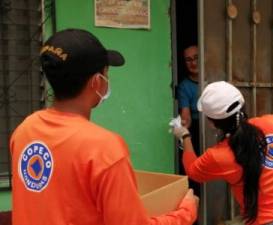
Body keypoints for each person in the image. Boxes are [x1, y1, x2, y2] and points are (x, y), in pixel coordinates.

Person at [10, 28, 198, 225]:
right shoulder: (104, 148)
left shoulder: (25, 130)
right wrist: (185, 212)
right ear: (97, 82)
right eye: (106, 72)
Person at [172, 81, 273, 225]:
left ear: (212, 123)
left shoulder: (218, 156)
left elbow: (193, 171)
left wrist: (185, 136)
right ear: (243, 105)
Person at [176, 45, 200, 199]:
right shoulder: (185, 86)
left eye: (196, 58)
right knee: (196, 175)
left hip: (218, 130)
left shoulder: (214, 78)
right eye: (188, 60)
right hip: (198, 130)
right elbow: (185, 114)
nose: (193, 63)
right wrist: (184, 126)